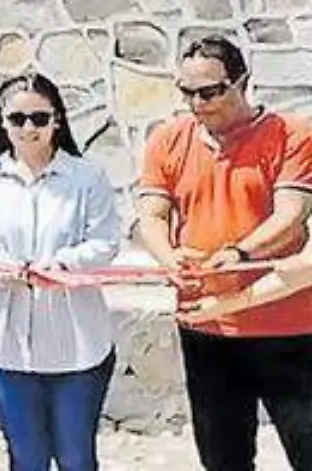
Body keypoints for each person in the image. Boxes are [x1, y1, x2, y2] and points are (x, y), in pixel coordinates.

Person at [134, 34, 312, 471]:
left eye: (211, 91)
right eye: (187, 93)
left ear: (243, 82)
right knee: (222, 460)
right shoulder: (168, 139)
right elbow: (150, 215)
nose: (198, 103)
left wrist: (239, 252)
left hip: (287, 325)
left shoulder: (292, 134)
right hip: (206, 326)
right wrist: (168, 256)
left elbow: (291, 216)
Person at [0, 73, 122, 471]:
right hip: (5, 343)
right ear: (1, 122)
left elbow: (105, 242)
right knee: (26, 458)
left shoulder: (86, 177)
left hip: (76, 344)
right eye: (17, 118)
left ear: (57, 120)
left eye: (39, 118)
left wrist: (63, 264)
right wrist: (0, 268)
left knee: (77, 458)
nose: (28, 128)